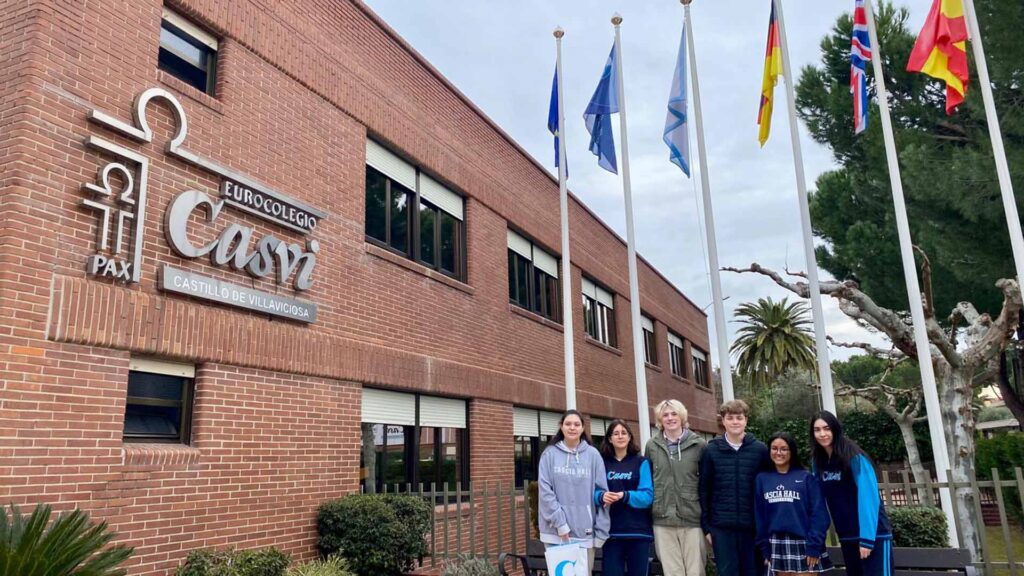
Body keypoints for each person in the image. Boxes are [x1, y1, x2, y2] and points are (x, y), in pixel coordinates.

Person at [810, 411, 894, 576]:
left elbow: (869, 498)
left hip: (873, 537)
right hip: (848, 537)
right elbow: (816, 503)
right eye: (817, 429)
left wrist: (867, 539)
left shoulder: (854, 456)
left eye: (827, 428)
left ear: (835, 429)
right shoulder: (817, 462)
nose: (822, 434)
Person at [698, 399, 770, 576]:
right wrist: (707, 527)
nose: (735, 422)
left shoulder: (760, 450)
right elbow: (704, 489)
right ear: (723, 421)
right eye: (730, 418)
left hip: (752, 528)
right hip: (722, 529)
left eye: (739, 417)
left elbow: (766, 489)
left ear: (746, 420)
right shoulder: (711, 450)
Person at [538, 409, 610, 574]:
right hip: (555, 533)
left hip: (585, 533)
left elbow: (602, 494)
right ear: (561, 427)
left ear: (583, 428)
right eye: (568, 424)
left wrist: (601, 531)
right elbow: (545, 491)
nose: (572, 427)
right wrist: (561, 524)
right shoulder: (549, 454)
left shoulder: (593, 455)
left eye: (576, 424)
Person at [755, 432, 833, 576]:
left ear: (792, 451)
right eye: (774, 448)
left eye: (784, 449)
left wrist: (814, 545)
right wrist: (764, 547)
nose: (778, 453)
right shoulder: (762, 479)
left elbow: (819, 514)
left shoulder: (806, 478)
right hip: (775, 544)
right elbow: (760, 517)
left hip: (805, 543)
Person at [644, 399, 707, 576]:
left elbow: (706, 483)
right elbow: (649, 481)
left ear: (682, 416)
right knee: (672, 572)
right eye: (665, 415)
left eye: (674, 414)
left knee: (696, 571)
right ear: (659, 419)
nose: (670, 418)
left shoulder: (699, 445)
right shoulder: (652, 446)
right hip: (662, 519)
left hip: (692, 518)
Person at [599, 419, 654, 576]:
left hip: (638, 532)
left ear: (630, 437)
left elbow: (647, 496)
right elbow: (593, 491)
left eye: (624, 433)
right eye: (615, 433)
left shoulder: (641, 462)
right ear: (609, 438)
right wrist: (601, 496)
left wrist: (624, 495)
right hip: (611, 533)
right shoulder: (602, 463)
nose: (620, 436)